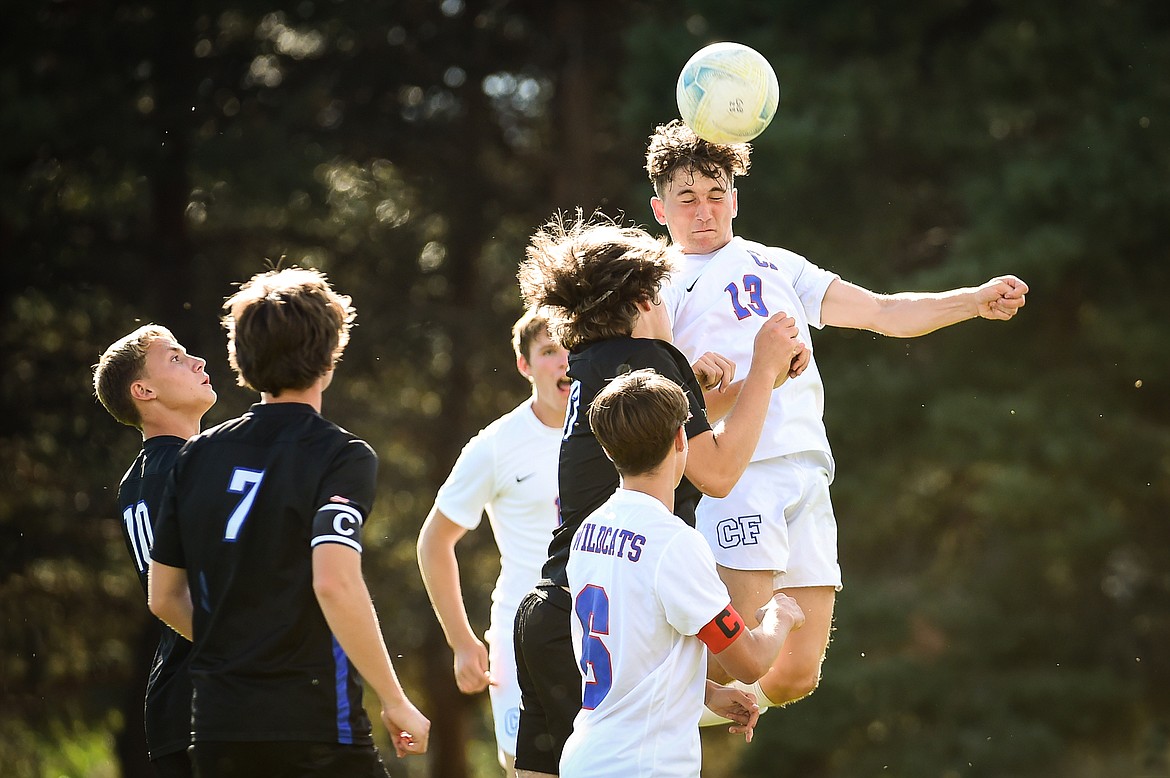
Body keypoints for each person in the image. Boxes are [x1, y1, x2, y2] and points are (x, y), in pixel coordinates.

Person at [644, 118, 1030, 713]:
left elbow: (882, 312)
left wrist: (973, 301)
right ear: (660, 210)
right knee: (736, 656)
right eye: (687, 200)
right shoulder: (661, 285)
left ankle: (691, 704)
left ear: (736, 200)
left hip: (808, 474)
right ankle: (629, 702)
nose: (704, 212)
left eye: (716, 195)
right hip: (740, 476)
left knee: (794, 676)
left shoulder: (779, 266)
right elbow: (661, 397)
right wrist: (718, 378)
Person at [511, 213, 807, 777]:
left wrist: (734, 389)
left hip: (555, 606)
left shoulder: (593, 364)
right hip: (611, 603)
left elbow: (671, 434)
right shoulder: (650, 357)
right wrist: (765, 364)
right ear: (644, 300)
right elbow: (714, 472)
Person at [148, 267, 429, 777]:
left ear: (240, 358)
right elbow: (334, 582)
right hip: (315, 724)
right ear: (329, 357)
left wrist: (235, 648)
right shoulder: (341, 455)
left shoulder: (193, 458)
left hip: (217, 727)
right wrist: (394, 698)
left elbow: (163, 597)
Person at [560, 368, 805, 777]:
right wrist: (781, 617)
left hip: (588, 755)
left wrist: (700, 691)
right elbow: (749, 663)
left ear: (609, 450)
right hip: (642, 765)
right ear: (680, 439)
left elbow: (625, 652)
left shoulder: (589, 530)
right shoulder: (673, 543)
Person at [416, 307, 570, 776]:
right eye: (548, 351)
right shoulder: (496, 444)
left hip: (603, 627)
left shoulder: (613, 427)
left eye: (570, 349)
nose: (563, 361)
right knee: (526, 766)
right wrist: (462, 642)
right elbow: (434, 542)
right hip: (521, 635)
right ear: (525, 365)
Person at [93, 324, 217, 777]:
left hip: (195, 707)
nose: (198, 362)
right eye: (176, 358)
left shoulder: (156, 472)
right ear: (143, 390)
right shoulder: (177, 470)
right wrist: (249, 665)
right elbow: (170, 599)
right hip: (204, 709)